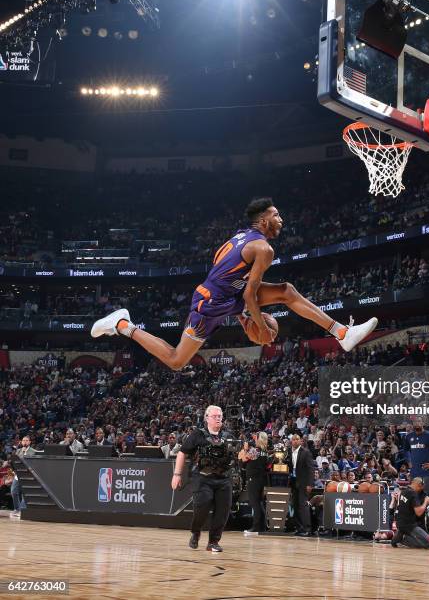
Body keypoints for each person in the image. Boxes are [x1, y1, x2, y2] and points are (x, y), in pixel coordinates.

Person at [91, 198, 378, 369]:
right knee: (177, 360)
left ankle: (342, 332)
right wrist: (261, 327)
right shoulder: (263, 249)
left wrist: (242, 314)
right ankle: (122, 325)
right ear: (264, 220)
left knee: (286, 291)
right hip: (211, 304)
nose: (281, 219)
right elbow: (251, 295)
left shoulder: (238, 237)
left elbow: (237, 281)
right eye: (276, 215)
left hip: (227, 296)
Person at [172, 405, 235, 552]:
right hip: (202, 477)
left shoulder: (228, 436)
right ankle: (196, 532)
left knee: (223, 511)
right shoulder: (197, 434)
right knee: (202, 506)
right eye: (215, 416)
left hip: (223, 478)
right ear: (206, 418)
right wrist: (177, 474)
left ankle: (213, 542)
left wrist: (246, 455)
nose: (218, 418)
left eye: (220, 416)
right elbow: (182, 453)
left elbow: (236, 457)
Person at [239, 432, 270, 535]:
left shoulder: (255, 450)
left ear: (259, 439)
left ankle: (256, 527)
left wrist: (245, 449)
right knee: (259, 503)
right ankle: (262, 526)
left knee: (254, 503)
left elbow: (243, 459)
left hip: (254, 479)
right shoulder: (265, 451)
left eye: (256, 438)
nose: (255, 439)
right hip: (261, 479)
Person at [391, 478, 429, 549]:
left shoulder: (404, 491)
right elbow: (419, 513)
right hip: (410, 525)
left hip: (400, 523)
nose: (421, 490)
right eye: (422, 488)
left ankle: (399, 536)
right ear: (419, 485)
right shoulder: (413, 493)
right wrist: (426, 502)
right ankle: (403, 539)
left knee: (422, 540)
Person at [287, 434, 315, 536]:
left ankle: (307, 529)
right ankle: (299, 528)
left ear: (300, 441)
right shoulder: (289, 452)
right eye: (293, 439)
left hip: (303, 483)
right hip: (293, 482)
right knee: (295, 505)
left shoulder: (306, 452)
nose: (294, 441)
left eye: (297, 439)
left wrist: (310, 484)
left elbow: (311, 469)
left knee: (303, 506)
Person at [10, 436, 37, 517]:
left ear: (29, 442)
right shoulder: (18, 451)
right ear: (21, 442)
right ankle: (17, 509)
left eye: (27, 440)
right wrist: (14, 470)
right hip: (18, 474)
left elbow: (35, 464)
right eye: (23, 440)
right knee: (14, 491)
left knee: (25, 493)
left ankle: (21, 511)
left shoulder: (33, 451)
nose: (25, 442)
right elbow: (14, 462)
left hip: (27, 475)